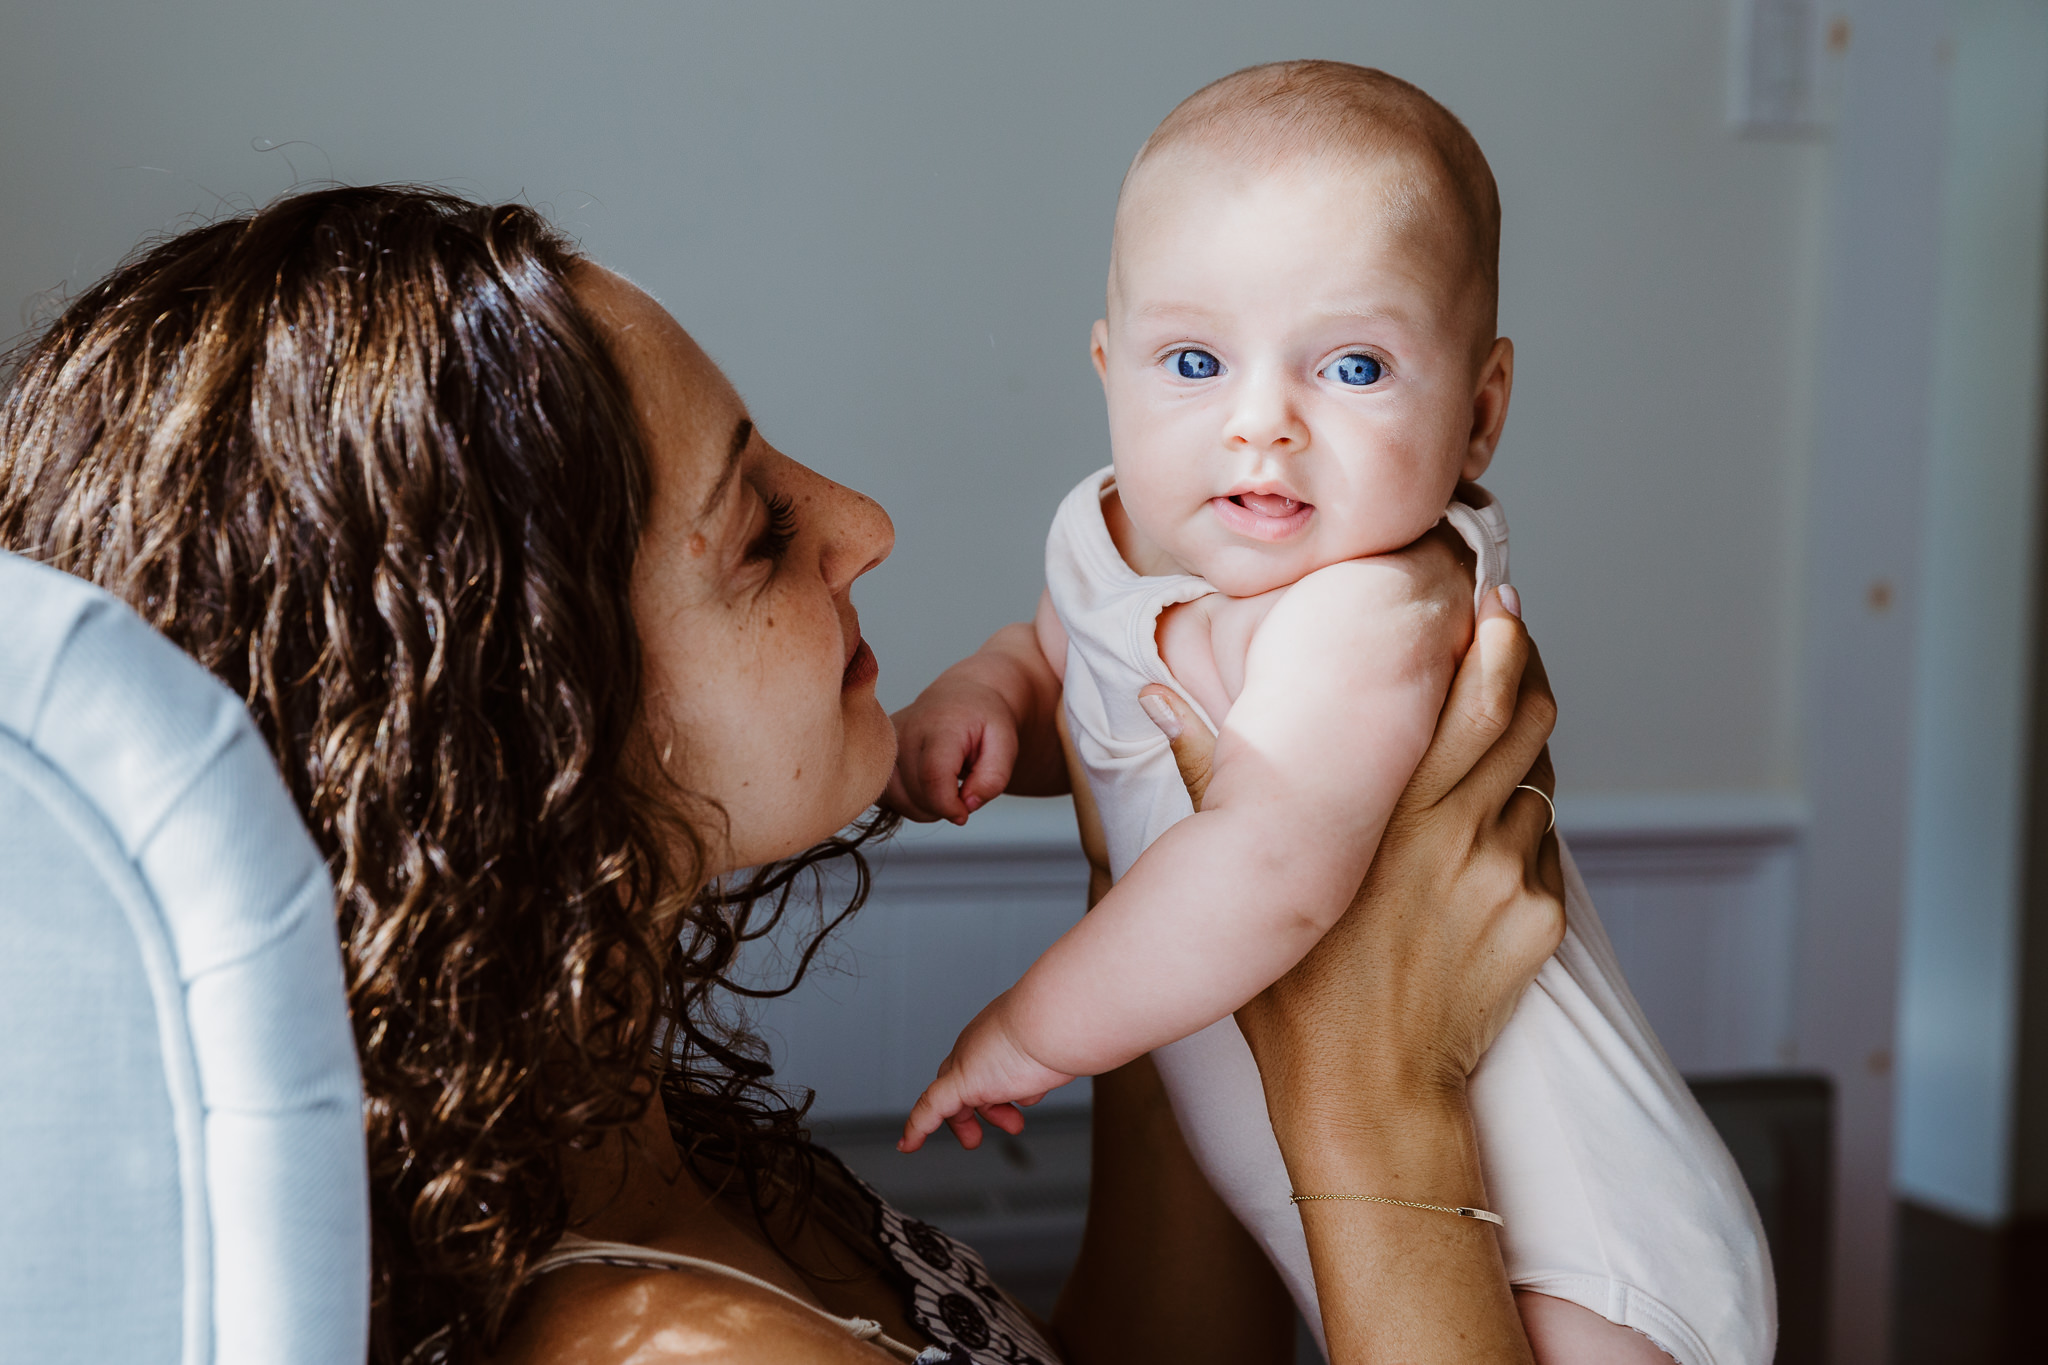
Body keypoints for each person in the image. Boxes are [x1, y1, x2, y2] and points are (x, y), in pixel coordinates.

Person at [3, 184, 1564, 1364]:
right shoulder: (672, 1348)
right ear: (527, 724)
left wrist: (1163, 872)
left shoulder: (603, 1131)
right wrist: (1383, 1120)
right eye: (757, 528)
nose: (863, 521)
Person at [885, 62, 1769, 1365]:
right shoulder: (1113, 536)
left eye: (1352, 365)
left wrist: (1028, 1027)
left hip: (1590, 1251)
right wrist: (989, 695)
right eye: (1194, 359)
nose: (1261, 425)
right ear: (1106, 366)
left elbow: (1272, 866)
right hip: (1350, 1203)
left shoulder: (1377, 611)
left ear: (1477, 416)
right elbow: (1061, 662)